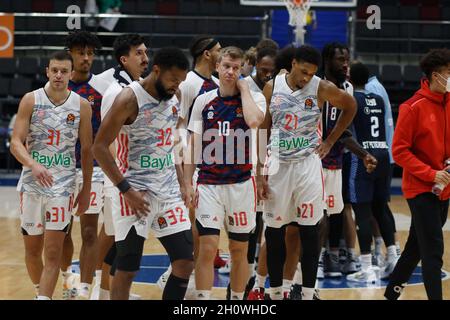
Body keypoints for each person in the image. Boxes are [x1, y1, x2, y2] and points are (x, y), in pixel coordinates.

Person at [92, 47, 194, 300]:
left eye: (180, 80)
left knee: (184, 262)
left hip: (168, 190)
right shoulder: (128, 98)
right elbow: (100, 147)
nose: (176, 85)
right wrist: (126, 190)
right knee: (127, 268)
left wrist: (183, 183)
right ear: (156, 71)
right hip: (135, 191)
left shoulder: (176, 95)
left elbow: (170, 144)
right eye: (172, 79)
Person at [257, 45, 357, 300]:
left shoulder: (321, 87)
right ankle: (276, 292)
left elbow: (350, 106)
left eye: (311, 74)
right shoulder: (272, 87)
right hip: (278, 165)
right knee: (274, 232)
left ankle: (308, 292)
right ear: (292, 64)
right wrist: (260, 169)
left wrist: (330, 141)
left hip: (307, 166)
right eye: (303, 72)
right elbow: (262, 131)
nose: (305, 78)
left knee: (310, 231)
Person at [183, 46, 265, 300]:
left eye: (236, 68)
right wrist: (187, 182)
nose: (230, 72)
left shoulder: (254, 98)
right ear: (217, 67)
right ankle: (203, 299)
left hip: (241, 184)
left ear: (241, 70)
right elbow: (193, 143)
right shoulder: (203, 100)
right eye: (226, 66)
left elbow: (254, 122)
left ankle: (237, 300)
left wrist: (244, 90)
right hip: (208, 183)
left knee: (239, 250)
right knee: (206, 248)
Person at [10, 51, 93, 300]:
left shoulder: (81, 105)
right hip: (32, 185)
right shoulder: (30, 100)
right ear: (47, 71)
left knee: (54, 252)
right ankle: (40, 290)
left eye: (64, 71)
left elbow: (87, 149)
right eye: (54, 70)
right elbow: (15, 142)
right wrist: (33, 164)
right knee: (33, 250)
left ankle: (43, 297)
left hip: (63, 186)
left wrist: (86, 189)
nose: (59, 75)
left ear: (71, 73)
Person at [156, 35, 223, 295]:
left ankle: (188, 270)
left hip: (208, 157)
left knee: (199, 222)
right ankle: (174, 272)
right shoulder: (189, 83)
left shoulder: (217, 83)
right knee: (190, 220)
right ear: (207, 54)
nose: (221, 54)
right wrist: (182, 157)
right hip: (187, 157)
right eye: (218, 50)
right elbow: (177, 122)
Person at [384, 49, 450, 300]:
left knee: (415, 248)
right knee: (433, 250)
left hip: (445, 189)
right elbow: (399, 151)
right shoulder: (412, 107)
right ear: (436, 75)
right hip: (421, 189)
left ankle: (391, 295)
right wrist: (430, 174)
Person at [90, 34, 149, 300]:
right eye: (139, 53)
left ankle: (104, 291)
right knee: (113, 238)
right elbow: (107, 142)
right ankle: (96, 290)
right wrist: (123, 181)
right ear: (124, 59)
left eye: (146, 52)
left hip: (129, 177)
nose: (145, 58)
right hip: (119, 178)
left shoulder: (134, 86)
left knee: (115, 238)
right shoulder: (116, 92)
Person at [63, 30, 110, 300]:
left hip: (91, 169)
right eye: (81, 52)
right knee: (61, 231)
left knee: (90, 230)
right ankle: (66, 277)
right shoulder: (57, 87)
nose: (86, 58)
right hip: (61, 170)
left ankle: (84, 288)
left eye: (90, 53)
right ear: (70, 54)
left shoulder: (101, 90)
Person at [344, 61, 398, 283]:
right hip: (384, 154)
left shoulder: (351, 100)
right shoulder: (377, 98)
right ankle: (393, 257)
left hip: (364, 157)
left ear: (350, 80)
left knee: (363, 212)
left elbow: (347, 132)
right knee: (381, 208)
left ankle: (366, 268)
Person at [365, 72, 401, 260]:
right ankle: (385, 246)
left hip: (380, 154)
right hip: (385, 154)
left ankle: (389, 246)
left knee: (378, 206)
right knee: (378, 206)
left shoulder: (370, 90)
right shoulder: (378, 86)